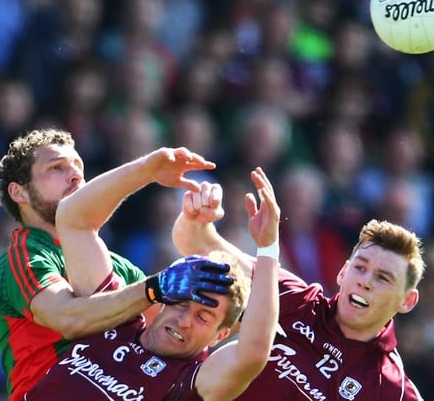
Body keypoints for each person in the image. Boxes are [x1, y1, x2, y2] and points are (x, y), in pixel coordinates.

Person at [0, 128, 233, 400]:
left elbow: (179, 327)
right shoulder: (23, 257)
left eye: (78, 166)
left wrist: (200, 232)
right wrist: (152, 289)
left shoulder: (117, 265)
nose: (75, 175)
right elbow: (70, 318)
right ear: (19, 192)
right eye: (56, 168)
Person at [25, 151, 280, 400]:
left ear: (220, 336)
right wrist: (147, 169)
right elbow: (73, 219)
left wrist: (268, 247)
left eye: (204, 317)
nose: (184, 320)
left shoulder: (190, 381)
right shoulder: (116, 319)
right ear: (165, 299)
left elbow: (253, 355)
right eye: (181, 302)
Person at [172, 182, 426, 400]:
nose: (365, 282)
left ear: (407, 301)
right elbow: (197, 242)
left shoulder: (392, 389)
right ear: (342, 272)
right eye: (360, 268)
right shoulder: (292, 298)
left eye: (383, 278)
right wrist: (196, 217)